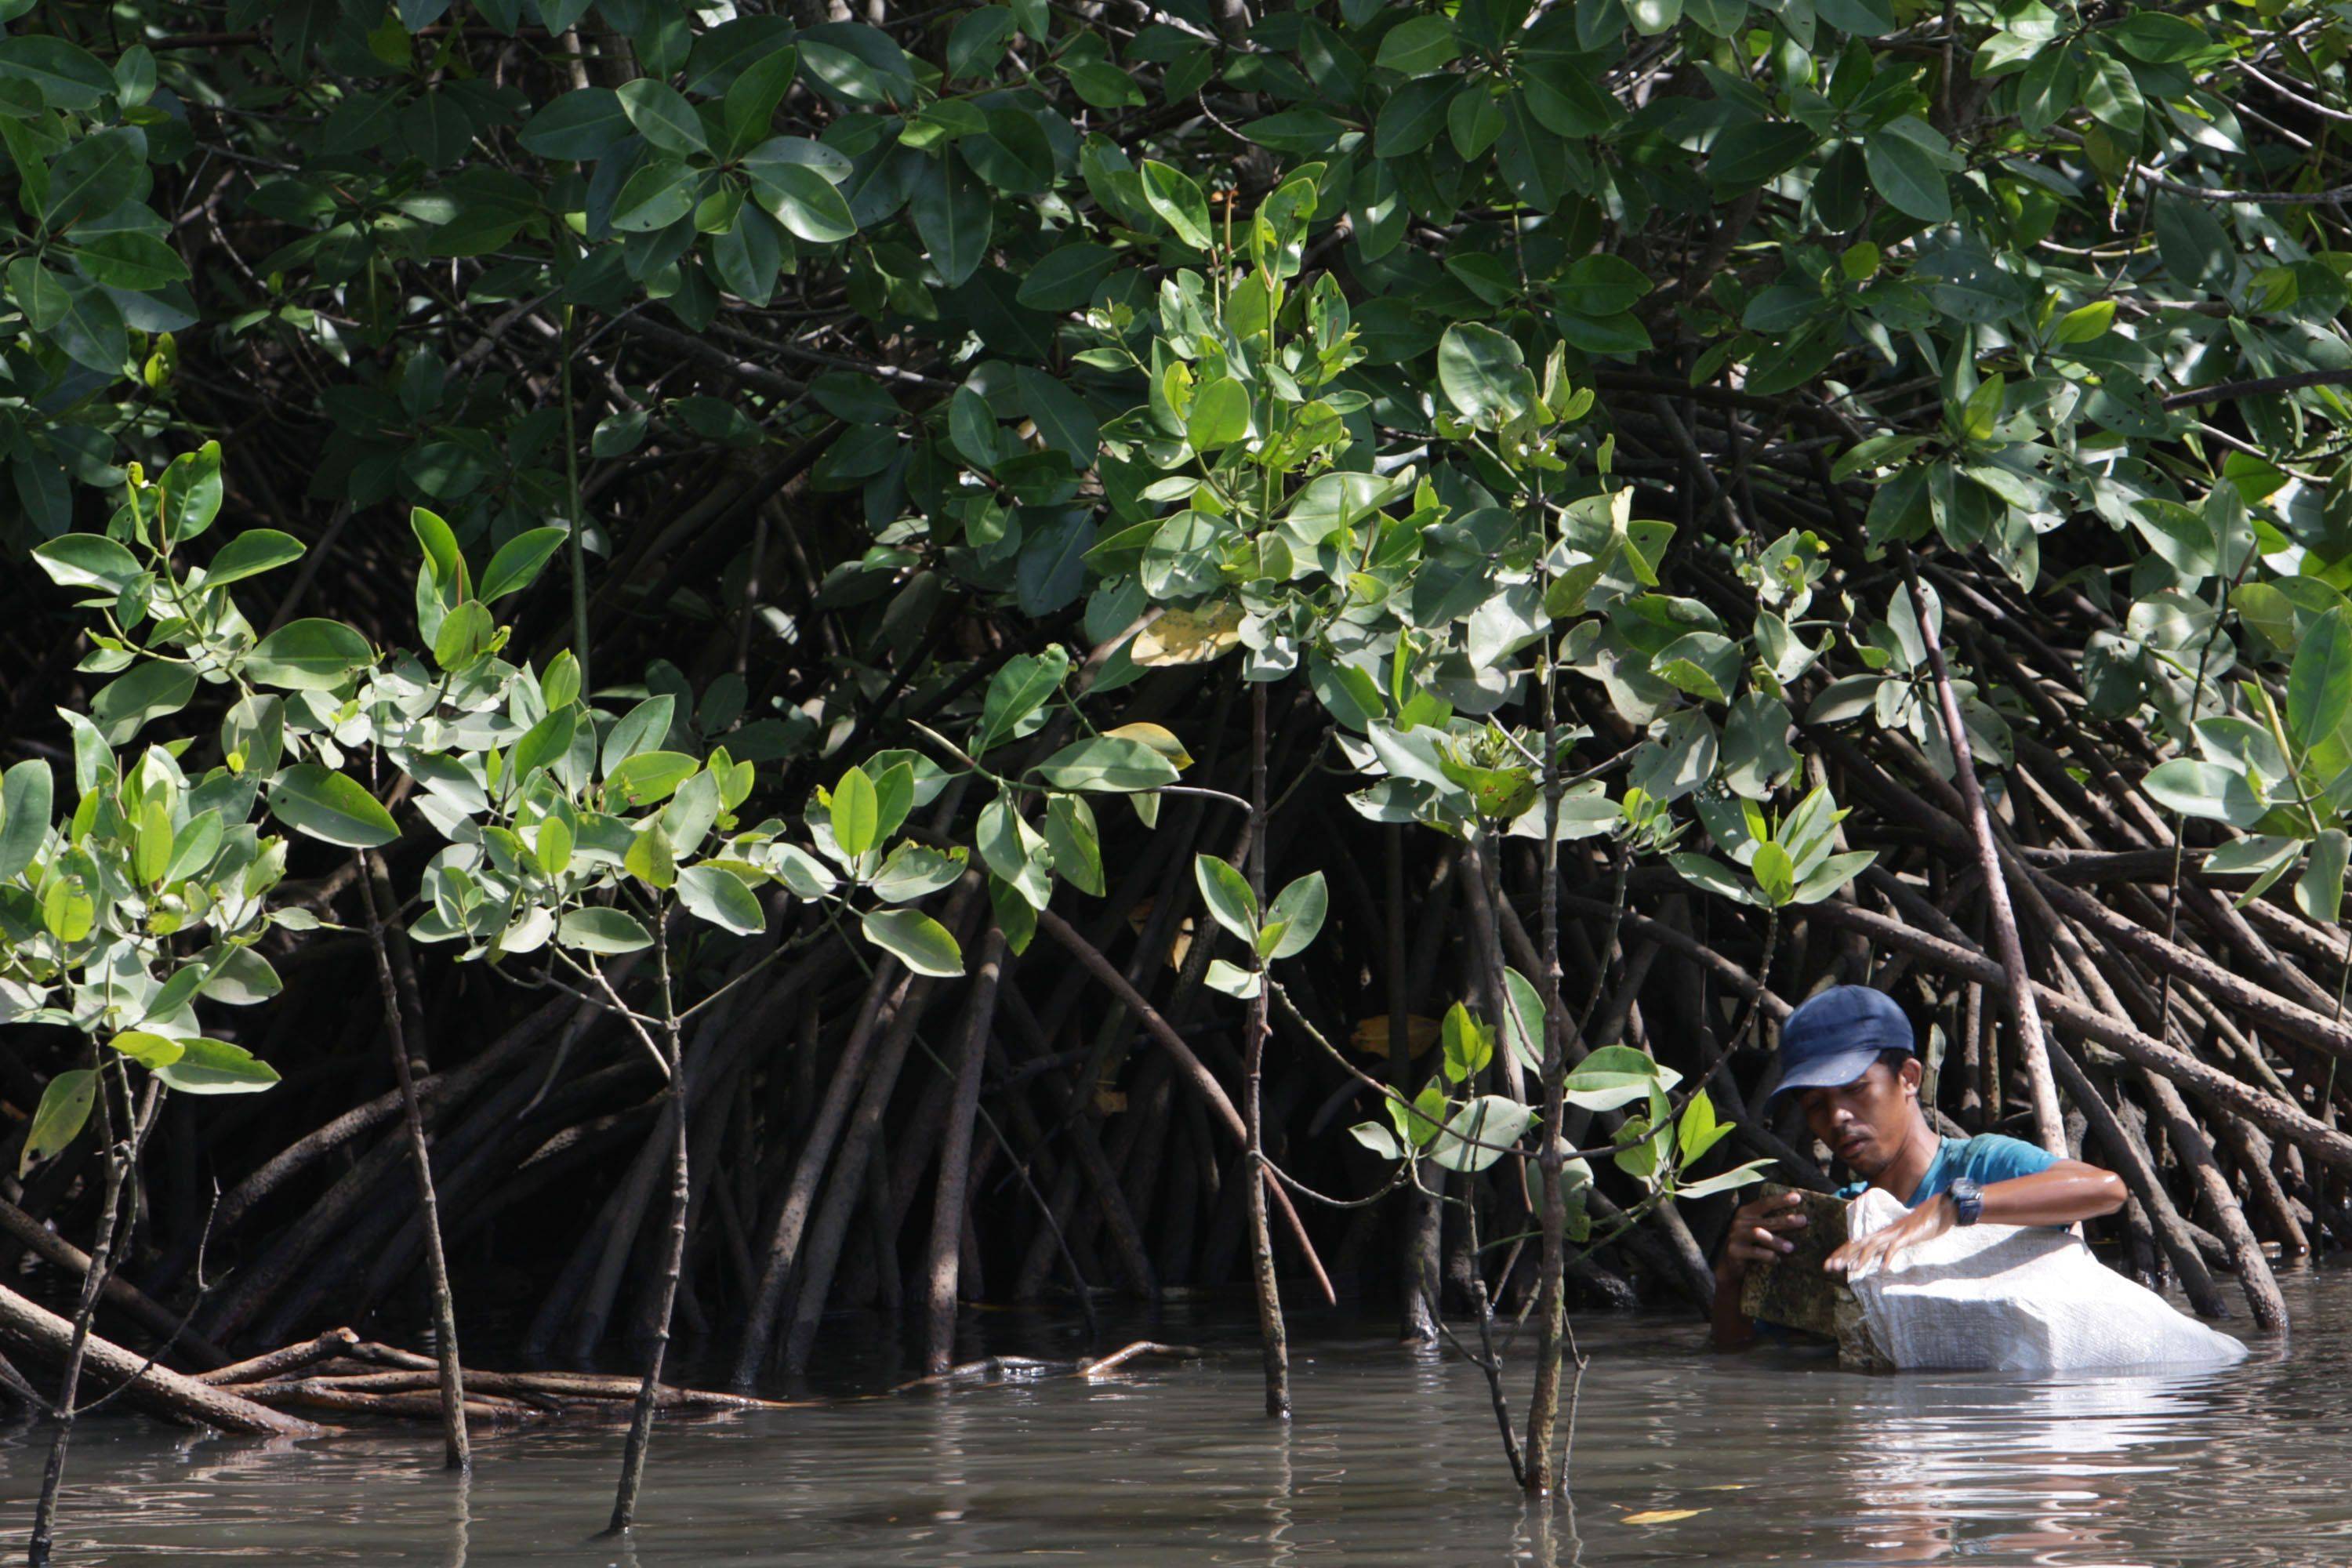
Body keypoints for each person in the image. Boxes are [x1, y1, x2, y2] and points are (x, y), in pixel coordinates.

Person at [1711, 985, 2127, 1351]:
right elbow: (1744, 1355)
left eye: (1855, 1090)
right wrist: (1732, 1278)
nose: (1837, 1117)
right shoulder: (1838, 1220)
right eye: (1817, 1106)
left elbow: (2106, 1189)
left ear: (1909, 1077)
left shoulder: (1982, 1164)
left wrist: (1953, 1206)